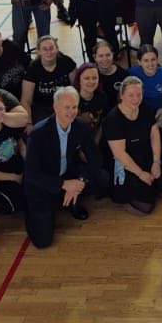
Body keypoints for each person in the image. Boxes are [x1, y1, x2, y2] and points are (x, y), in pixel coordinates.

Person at [24, 87, 106, 244]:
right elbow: (31, 174)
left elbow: (95, 158)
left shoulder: (80, 126)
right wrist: (63, 184)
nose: (71, 112)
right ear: (55, 107)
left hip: (68, 173)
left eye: (74, 107)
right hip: (44, 182)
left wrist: (80, 181)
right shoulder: (39, 132)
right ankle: (50, 204)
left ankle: (71, 199)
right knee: (43, 240)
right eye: (66, 107)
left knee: (102, 177)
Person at [104, 76, 162, 214]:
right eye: (131, 95)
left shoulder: (145, 109)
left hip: (147, 154)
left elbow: (154, 135)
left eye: (139, 94)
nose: (136, 99)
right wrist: (140, 174)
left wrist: (156, 161)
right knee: (145, 207)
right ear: (122, 95)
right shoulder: (113, 120)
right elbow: (120, 154)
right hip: (128, 162)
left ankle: (151, 188)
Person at [21, 35, 77, 124]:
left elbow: (77, 87)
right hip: (42, 107)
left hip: (65, 104)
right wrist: (29, 123)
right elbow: (26, 100)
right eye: (45, 49)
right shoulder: (33, 69)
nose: (49, 52)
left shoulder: (66, 62)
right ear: (39, 51)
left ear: (57, 49)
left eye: (51, 48)